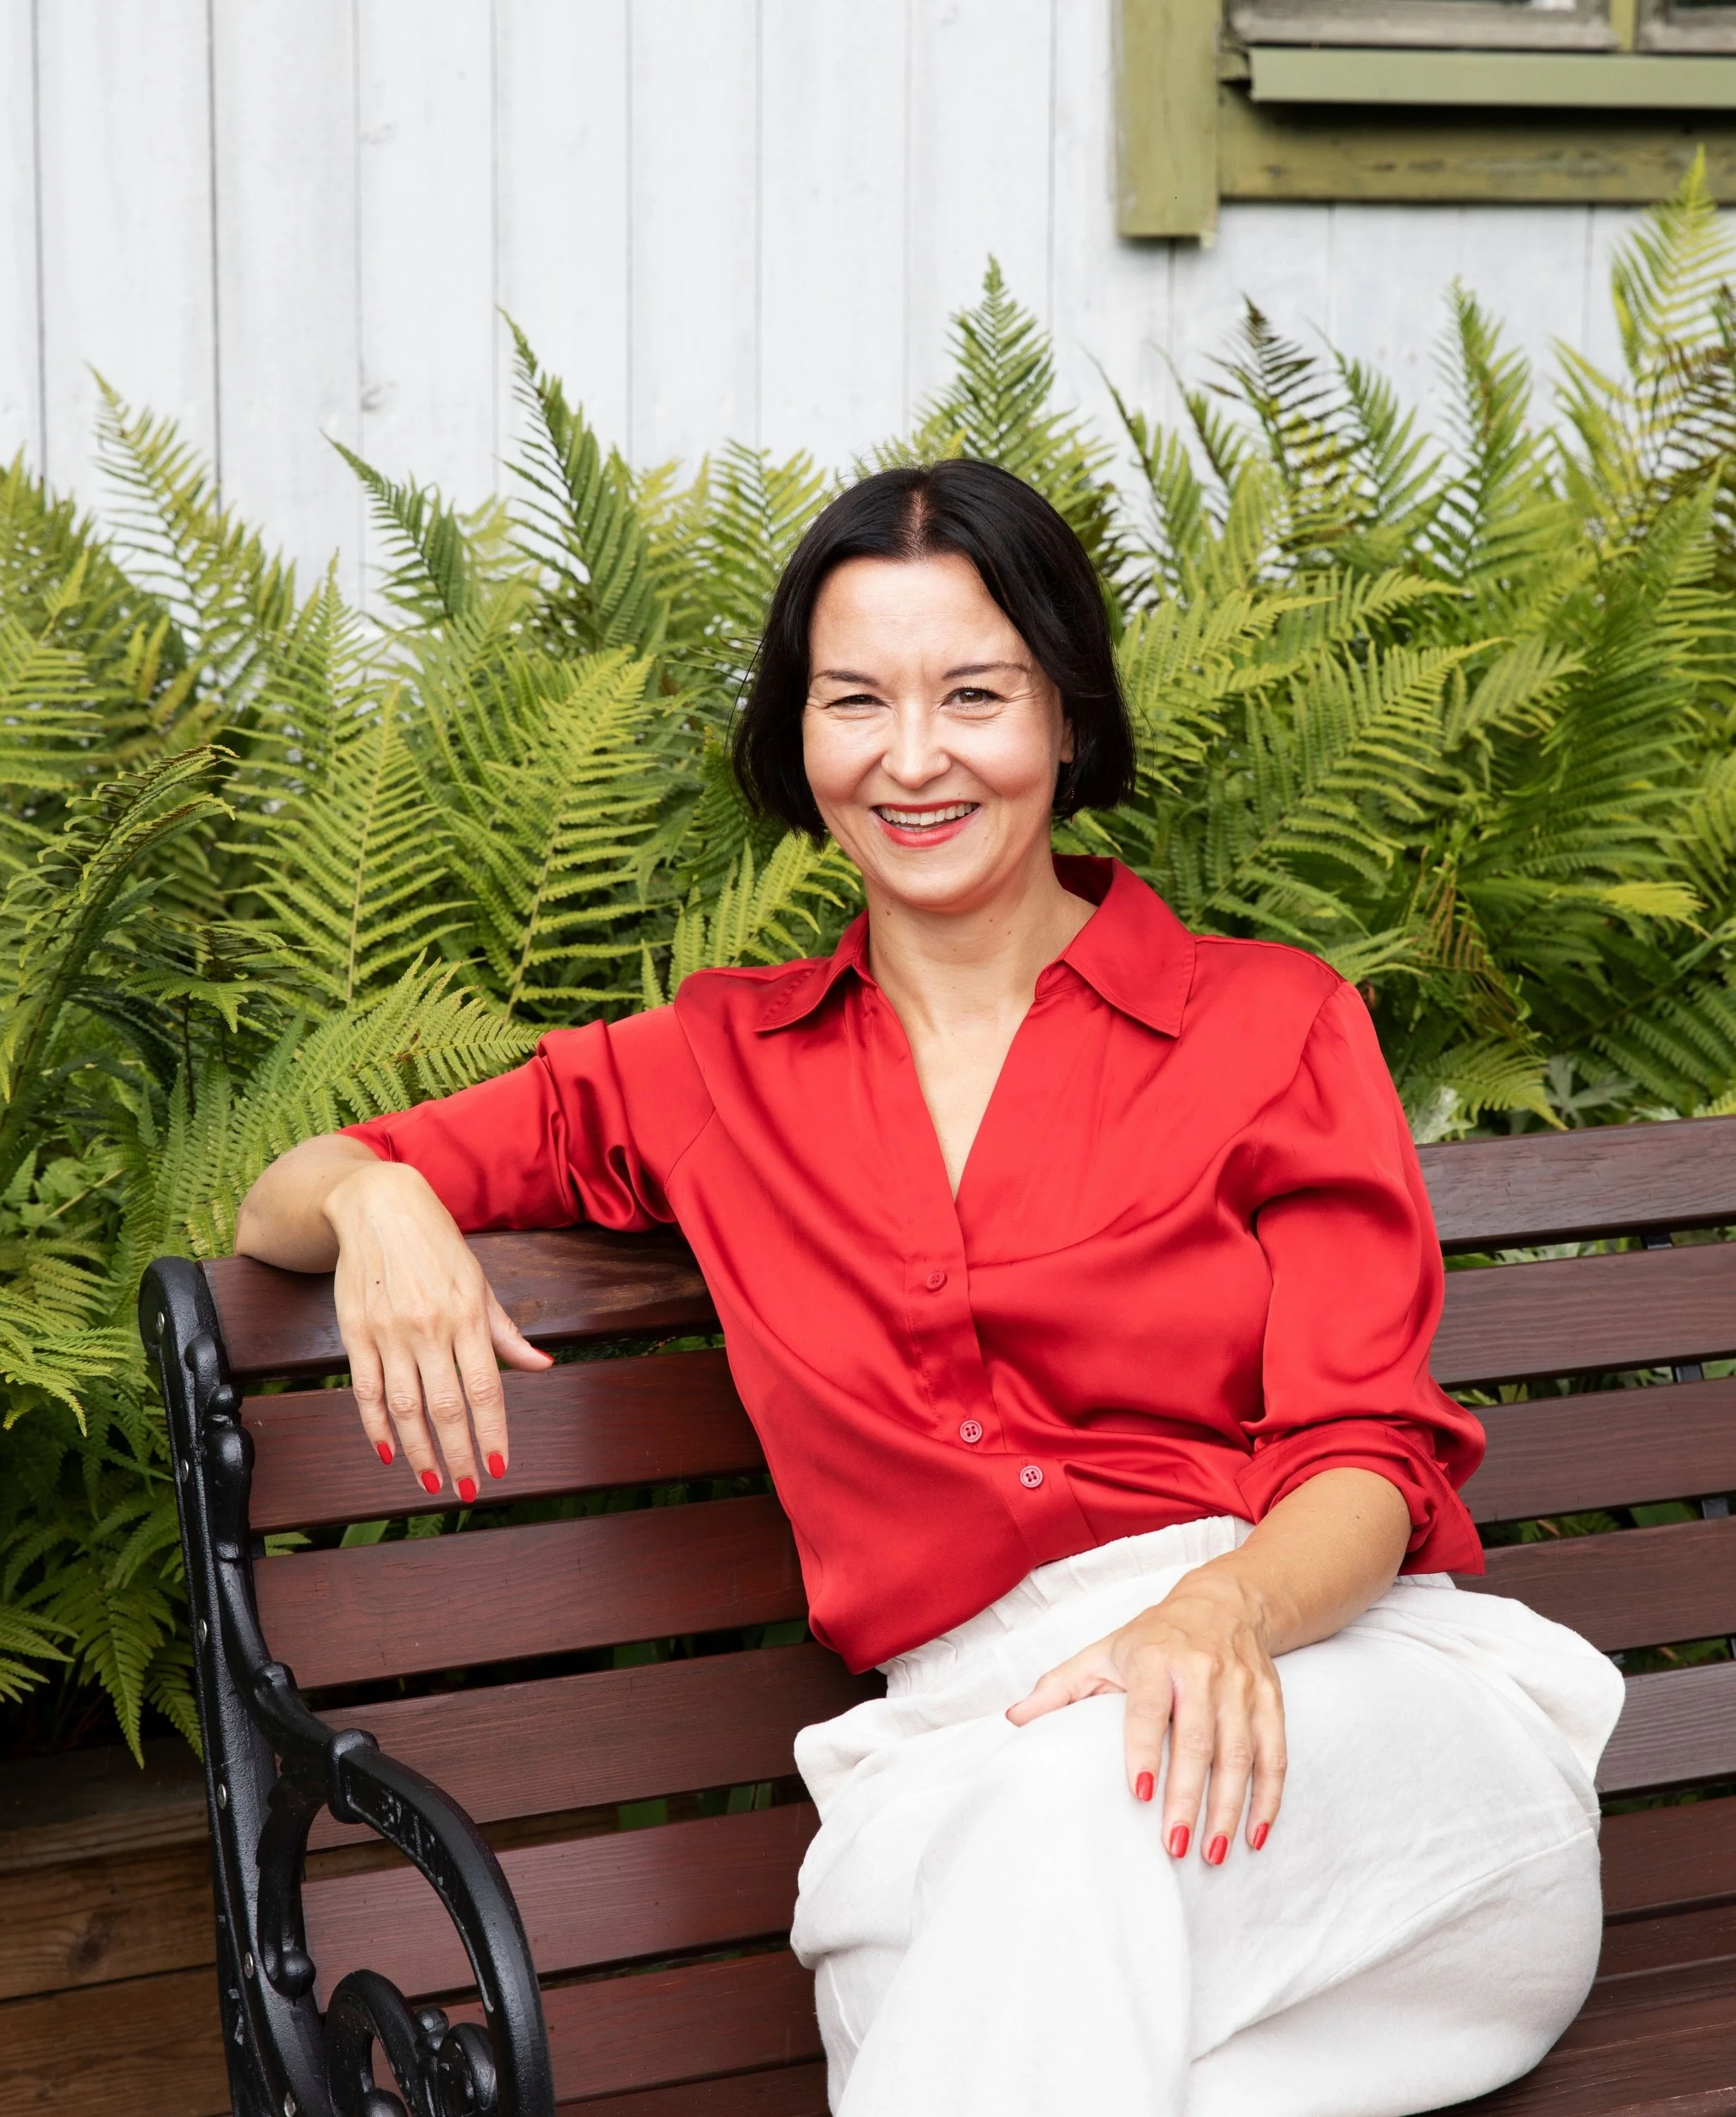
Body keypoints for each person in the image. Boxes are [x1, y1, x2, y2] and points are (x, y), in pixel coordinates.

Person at [236, 461, 1624, 2117]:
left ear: (1064, 714)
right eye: (853, 701)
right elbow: (282, 1196)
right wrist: (383, 1191)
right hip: (970, 1780)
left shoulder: (1267, 1024)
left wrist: (1216, 1612)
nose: (910, 757)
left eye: (973, 694)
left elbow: (1363, 1456)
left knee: (1052, 1872)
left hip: (1345, 1741)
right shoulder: (706, 1069)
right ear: (794, 733)